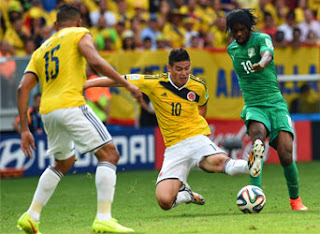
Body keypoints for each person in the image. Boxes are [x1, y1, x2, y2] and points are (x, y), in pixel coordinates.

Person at [84, 48, 261, 211]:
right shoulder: (154, 83)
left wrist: (196, 126)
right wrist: (86, 84)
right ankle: (186, 195)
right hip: (174, 148)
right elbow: (119, 79)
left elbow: (202, 107)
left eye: (187, 68)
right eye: (179, 69)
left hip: (196, 139)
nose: (184, 73)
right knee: (164, 201)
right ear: (169, 68)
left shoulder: (198, 85)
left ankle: (250, 165)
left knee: (220, 163)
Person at [16, 5, 141, 233]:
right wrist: (126, 84)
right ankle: (103, 217)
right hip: (71, 105)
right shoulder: (78, 33)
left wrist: (25, 128)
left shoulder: (41, 49)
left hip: (48, 111)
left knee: (63, 162)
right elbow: (96, 61)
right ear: (78, 22)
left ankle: (31, 215)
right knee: (109, 154)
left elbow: (23, 87)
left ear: (55, 25)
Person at [226, 8, 308, 211]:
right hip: (254, 105)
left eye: (242, 30)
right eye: (234, 31)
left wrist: (261, 63)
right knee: (257, 142)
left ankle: (295, 200)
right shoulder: (232, 50)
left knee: (286, 154)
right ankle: (255, 195)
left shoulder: (262, 38)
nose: (238, 34)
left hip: (275, 104)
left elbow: (267, 54)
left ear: (249, 28)